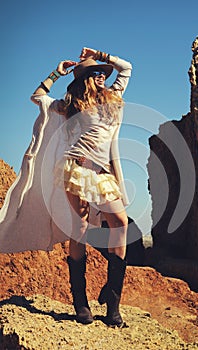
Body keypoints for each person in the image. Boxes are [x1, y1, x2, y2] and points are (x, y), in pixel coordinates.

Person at [31, 47, 132, 327]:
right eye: (96, 73)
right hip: (76, 170)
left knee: (120, 223)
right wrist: (56, 73)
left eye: (102, 73)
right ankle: (80, 303)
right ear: (86, 78)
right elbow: (37, 97)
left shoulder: (113, 97)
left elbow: (127, 68)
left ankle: (113, 301)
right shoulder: (71, 103)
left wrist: (101, 55)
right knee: (81, 229)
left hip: (104, 174)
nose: (102, 76)